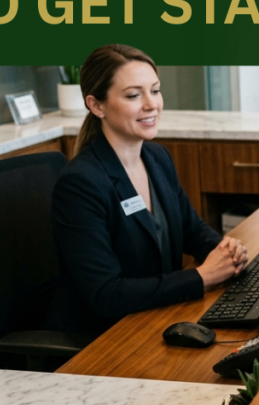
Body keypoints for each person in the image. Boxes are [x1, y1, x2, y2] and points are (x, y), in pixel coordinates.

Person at [46, 44, 248, 339]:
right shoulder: (81, 184)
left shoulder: (157, 158)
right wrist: (201, 277)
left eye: (155, 90)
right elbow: (106, 294)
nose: (151, 104)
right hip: (105, 337)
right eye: (133, 95)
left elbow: (191, 230)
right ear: (96, 105)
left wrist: (225, 252)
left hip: (156, 315)